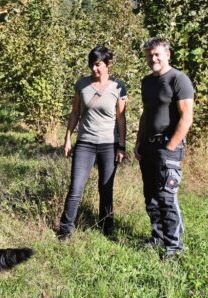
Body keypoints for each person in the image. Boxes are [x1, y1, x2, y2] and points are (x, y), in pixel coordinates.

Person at [56, 45, 127, 241]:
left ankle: (106, 227)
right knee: (76, 188)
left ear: (108, 64)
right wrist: (67, 139)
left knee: (106, 188)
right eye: (91, 65)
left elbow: (121, 118)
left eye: (98, 65)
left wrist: (122, 145)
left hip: (108, 144)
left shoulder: (118, 86)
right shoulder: (82, 84)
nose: (94, 69)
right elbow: (75, 113)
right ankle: (65, 230)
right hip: (85, 143)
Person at [134, 37, 194, 260]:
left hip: (168, 146)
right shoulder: (147, 82)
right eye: (150, 55)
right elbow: (145, 114)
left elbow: (186, 118)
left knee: (167, 196)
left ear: (168, 54)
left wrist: (170, 146)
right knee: (150, 196)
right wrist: (139, 142)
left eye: (157, 54)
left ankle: (174, 246)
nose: (153, 58)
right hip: (148, 146)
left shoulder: (179, 79)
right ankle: (157, 237)